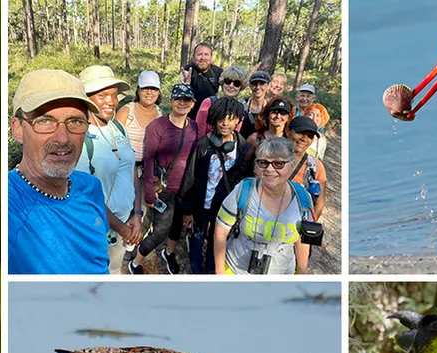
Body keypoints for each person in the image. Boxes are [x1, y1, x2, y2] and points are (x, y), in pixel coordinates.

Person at [8, 69, 111, 274]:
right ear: (17, 128)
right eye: (44, 121)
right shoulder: (10, 209)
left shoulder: (91, 187)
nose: (62, 139)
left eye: (75, 121)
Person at [75, 65, 141, 274]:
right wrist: (124, 229)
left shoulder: (117, 128)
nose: (111, 102)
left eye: (114, 95)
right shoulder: (79, 137)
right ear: (85, 99)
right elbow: (84, 195)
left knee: (113, 269)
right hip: (94, 227)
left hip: (124, 222)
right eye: (102, 95)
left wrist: (137, 213)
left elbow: (131, 170)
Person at [214, 136, 313, 275]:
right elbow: (220, 231)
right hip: (235, 270)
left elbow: (303, 240)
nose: (270, 169)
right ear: (255, 166)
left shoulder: (303, 199)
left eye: (278, 164)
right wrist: (220, 275)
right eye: (263, 163)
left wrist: (302, 273)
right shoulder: (243, 191)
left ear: (291, 165)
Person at [129, 83, 199, 275]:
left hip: (185, 188)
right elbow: (149, 158)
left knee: (177, 226)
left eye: (187, 100)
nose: (182, 103)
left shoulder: (194, 126)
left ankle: (170, 253)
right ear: (171, 101)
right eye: (178, 99)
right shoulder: (157, 127)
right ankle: (136, 262)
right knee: (160, 231)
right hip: (164, 189)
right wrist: (150, 192)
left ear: (193, 104)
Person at [177, 97, 249, 274]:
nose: (225, 123)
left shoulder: (242, 145)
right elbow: (190, 177)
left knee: (217, 238)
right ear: (214, 118)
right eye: (221, 118)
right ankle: (197, 270)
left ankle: (211, 267)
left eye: (230, 119)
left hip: (225, 206)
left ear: (237, 120)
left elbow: (242, 177)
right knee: (198, 237)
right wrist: (187, 210)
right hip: (203, 204)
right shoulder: (203, 144)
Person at [115, 70, 165, 187]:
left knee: (144, 204)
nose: (149, 92)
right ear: (138, 90)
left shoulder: (160, 115)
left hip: (149, 171)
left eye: (153, 89)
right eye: (145, 88)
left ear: (158, 92)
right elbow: (113, 143)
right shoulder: (126, 112)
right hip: (124, 170)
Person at [288, 115, 329, 221]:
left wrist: (308, 228)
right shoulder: (270, 157)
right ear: (288, 131)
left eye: (310, 136)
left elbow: (319, 203)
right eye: (300, 133)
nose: (304, 139)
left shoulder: (316, 166)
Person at [194, 66, 247, 138]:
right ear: (222, 83)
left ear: (241, 87)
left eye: (236, 83)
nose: (231, 86)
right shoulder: (209, 103)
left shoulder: (240, 108)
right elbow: (199, 133)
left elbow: (234, 135)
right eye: (227, 81)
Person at [294, 83, 331, 157]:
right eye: (302, 95)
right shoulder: (292, 111)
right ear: (298, 97)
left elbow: (319, 144)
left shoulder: (318, 117)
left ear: (312, 99)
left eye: (308, 96)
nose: (304, 99)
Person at [241, 71, 273, 138]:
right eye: (254, 84)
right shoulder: (242, 105)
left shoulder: (270, 108)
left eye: (262, 84)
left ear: (268, 85)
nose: (258, 87)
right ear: (250, 86)